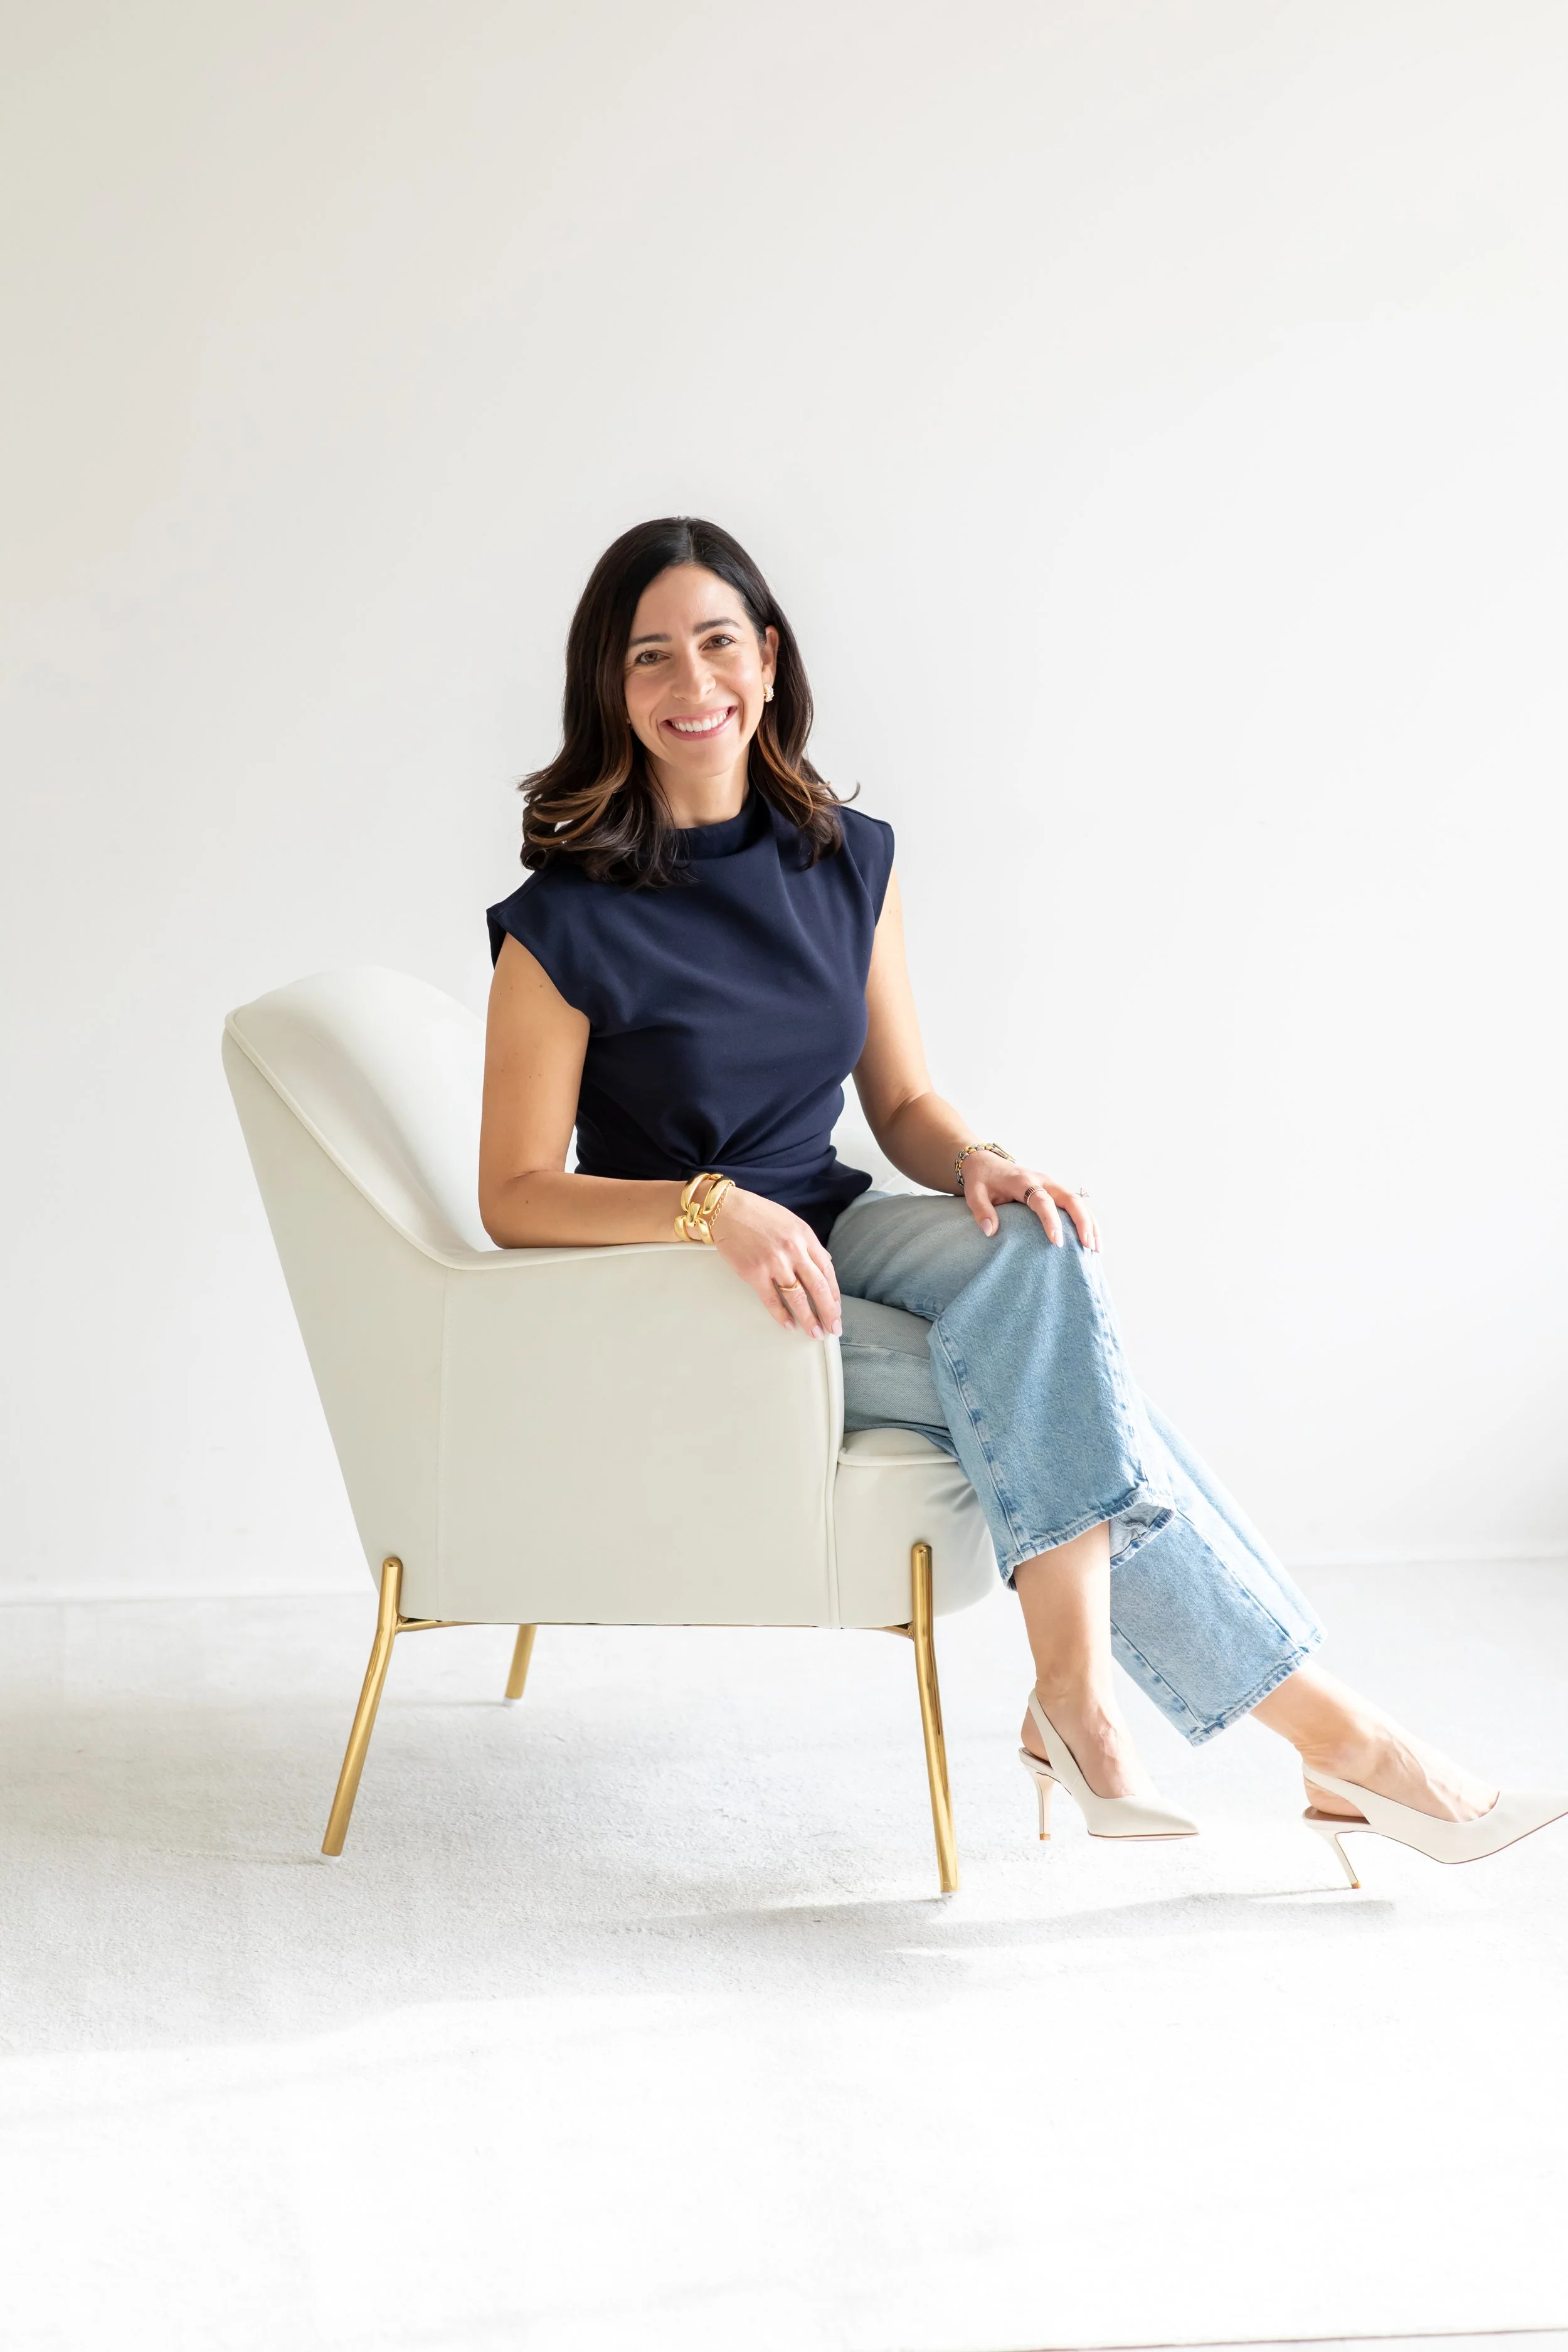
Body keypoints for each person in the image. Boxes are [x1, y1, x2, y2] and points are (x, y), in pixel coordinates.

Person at [479, 514, 1566, 1879]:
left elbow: (901, 1107)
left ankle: (1103, 1707)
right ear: (610, 687)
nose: (687, 682)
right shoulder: (563, 919)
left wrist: (976, 1157)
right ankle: (1324, 1742)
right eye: (649, 656)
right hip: (681, 1279)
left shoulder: (843, 858)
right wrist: (707, 1209)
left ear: (766, 659)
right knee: (1068, 1403)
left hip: (832, 1218)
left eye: (714, 642)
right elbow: (515, 1195)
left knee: (1043, 1257)